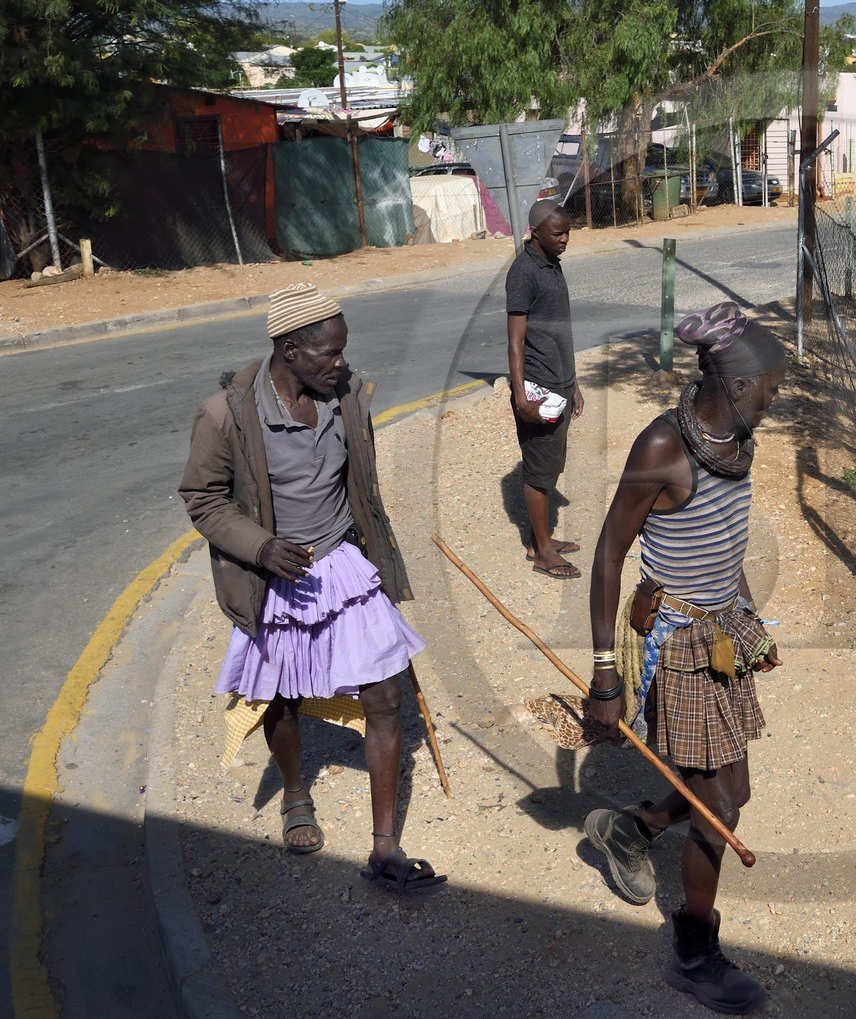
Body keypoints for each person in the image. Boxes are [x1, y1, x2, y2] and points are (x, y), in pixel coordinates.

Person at [178, 283, 445, 892]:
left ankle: (385, 845)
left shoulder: (347, 396)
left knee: (385, 700)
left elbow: (361, 483)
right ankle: (295, 794)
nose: (342, 363)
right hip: (275, 576)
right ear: (290, 350)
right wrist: (261, 547)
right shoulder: (225, 415)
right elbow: (202, 499)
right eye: (329, 353)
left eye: (343, 351)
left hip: (344, 565)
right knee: (284, 696)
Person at [584, 303, 786, 1015]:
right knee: (719, 805)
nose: (776, 395)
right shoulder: (661, 450)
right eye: (769, 385)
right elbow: (609, 553)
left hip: (723, 632)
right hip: (677, 645)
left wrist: (751, 621)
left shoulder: (734, 439)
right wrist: (605, 674)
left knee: (735, 792)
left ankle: (631, 829)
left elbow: (724, 542)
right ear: (733, 386)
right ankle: (693, 953)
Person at [507, 200, 584, 578]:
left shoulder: (552, 265)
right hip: (538, 388)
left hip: (561, 384)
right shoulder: (523, 273)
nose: (566, 239)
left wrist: (575, 384)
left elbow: (558, 333)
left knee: (551, 466)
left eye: (568, 232)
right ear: (535, 232)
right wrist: (521, 397)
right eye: (558, 233)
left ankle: (543, 540)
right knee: (539, 470)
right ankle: (541, 552)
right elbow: (516, 342)